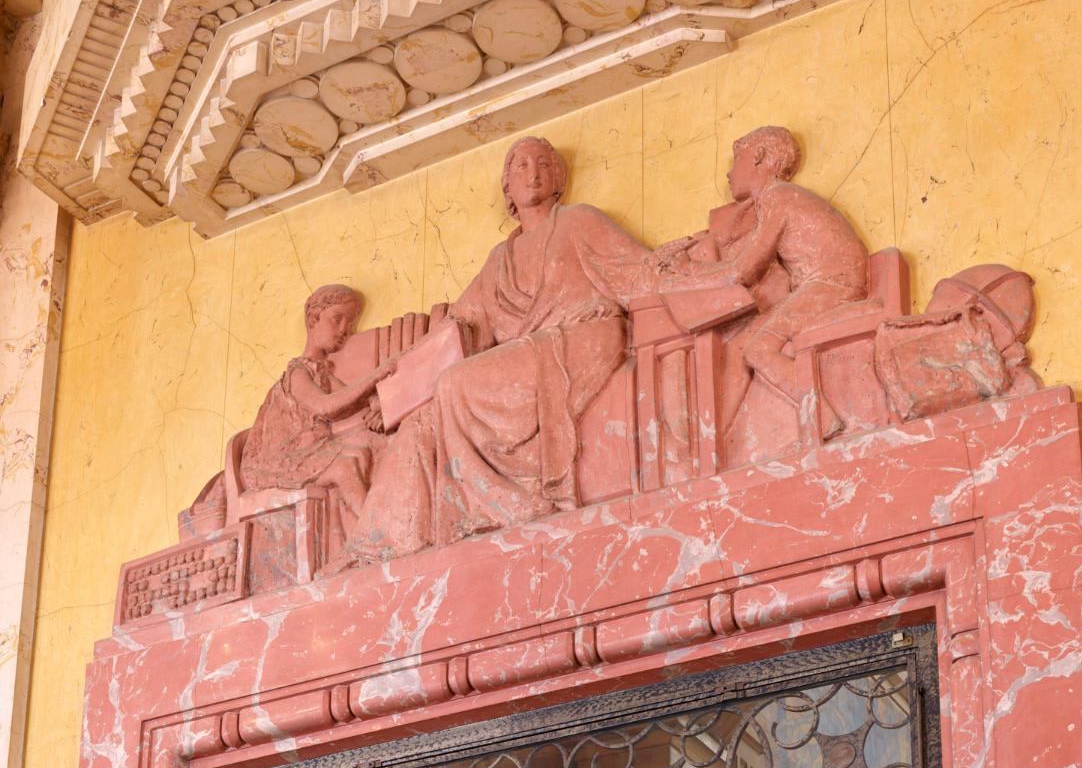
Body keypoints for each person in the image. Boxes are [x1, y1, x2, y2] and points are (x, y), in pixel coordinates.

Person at [348, 137, 657, 559]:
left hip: (583, 341)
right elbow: (459, 325)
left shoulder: (579, 221)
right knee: (422, 421)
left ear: (558, 178)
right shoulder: (500, 259)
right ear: (506, 187)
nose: (533, 173)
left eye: (544, 165)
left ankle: (503, 505)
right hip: (532, 352)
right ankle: (377, 545)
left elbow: (637, 269)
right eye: (521, 166)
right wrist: (393, 394)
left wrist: (704, 267)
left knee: (454, 385)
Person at [649, 126, 870, 432]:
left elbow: (742, 271)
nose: (729, 173)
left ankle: (822, 418)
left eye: (736, 159)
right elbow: (741, 266)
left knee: (758, 349)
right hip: (820, 285)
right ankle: (723, 432)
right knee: (745, 340)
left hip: (831, 285)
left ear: (760, 158)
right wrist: (690, 271)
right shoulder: (774, 200)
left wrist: (684, 275)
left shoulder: (779, 197)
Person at [239, 283, 387, 544]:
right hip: (279, 458)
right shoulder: (298, 372)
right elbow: (326, 406)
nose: (345, 330)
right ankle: (374, 536)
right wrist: (380, 372)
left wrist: (379, 407)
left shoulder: (322, 373)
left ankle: (350, 538)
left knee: (363, 452)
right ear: (312, 319)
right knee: (345, 467)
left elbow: (354, 401)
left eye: (350, 323)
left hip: (311, 451)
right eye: (337, 319)